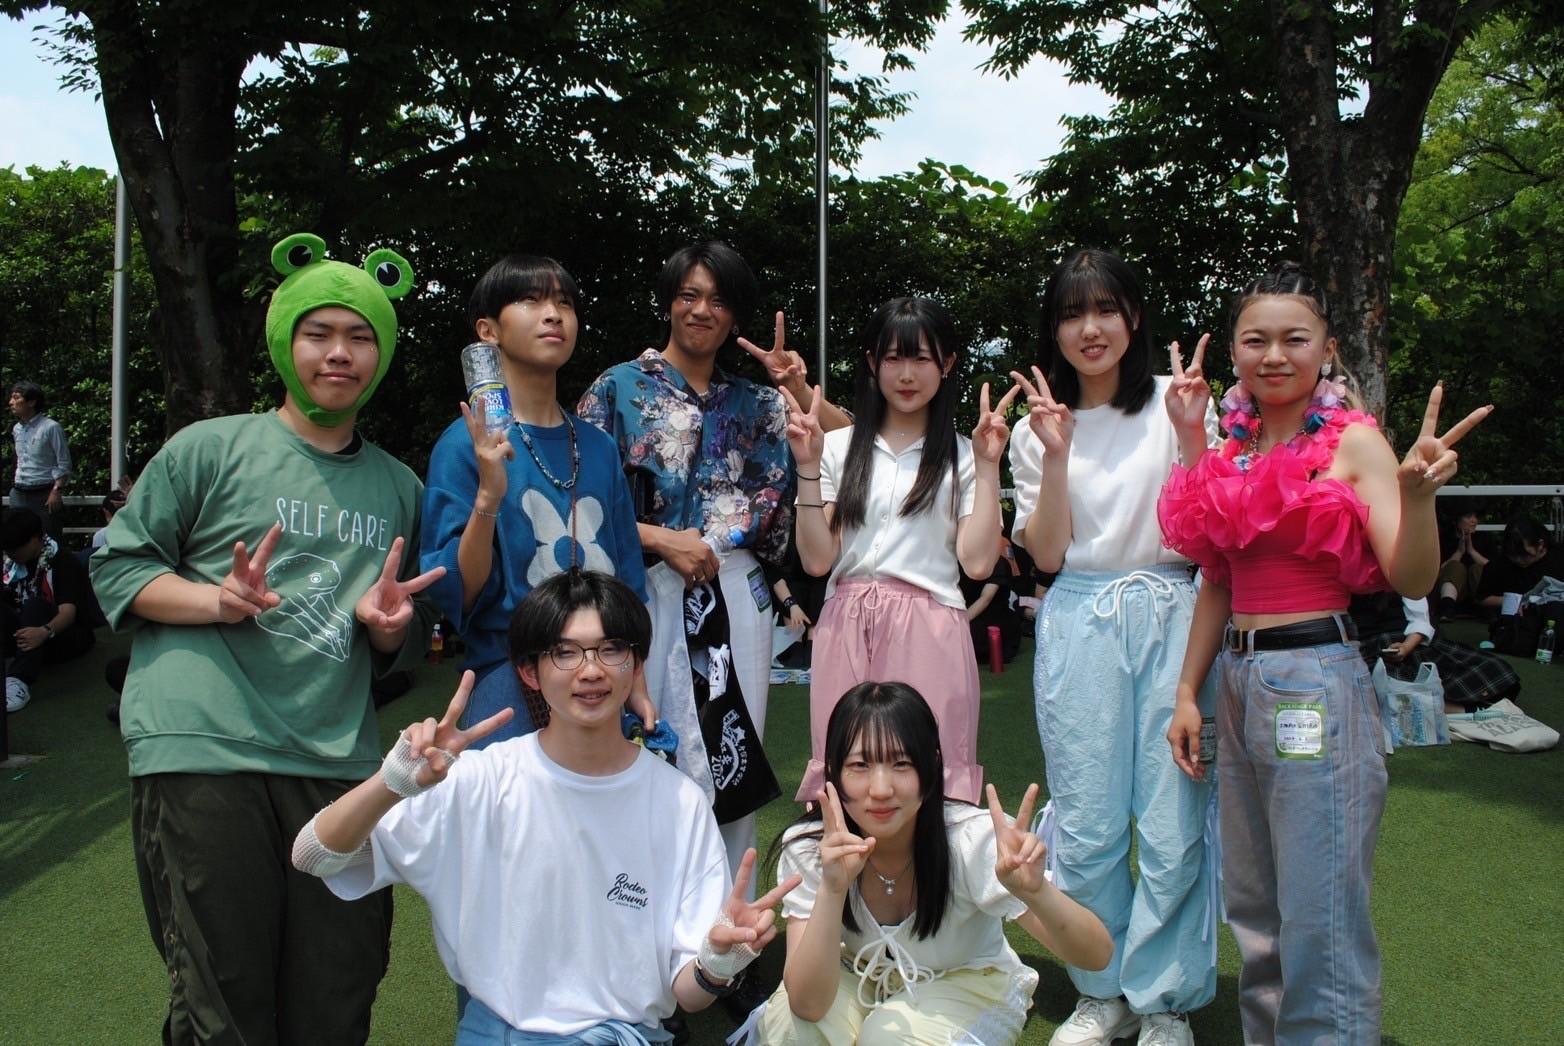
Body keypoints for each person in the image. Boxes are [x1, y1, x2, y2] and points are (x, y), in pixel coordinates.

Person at [90, 233, 442, 1044]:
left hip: (336, 761)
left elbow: (402, 628)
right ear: (286, 340)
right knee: (225, 999)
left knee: (339, 989)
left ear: (382, 354)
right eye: (319, 333)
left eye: (360, 336)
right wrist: (216, 601)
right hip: (204, 747)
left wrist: (390, 627)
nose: (339, 353)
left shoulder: (400, 485)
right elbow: (118, 566)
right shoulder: (209, 449)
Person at [1160, 262, 1491, 1044]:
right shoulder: (1234, 448)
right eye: (1256, 340)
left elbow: (1411, 577)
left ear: (1327, 348)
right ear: (1234, 352)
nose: (1274, 355)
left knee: (1320, 906)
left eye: (1295, 339)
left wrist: (1418, 497)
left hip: (1312, 675)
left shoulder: (1357, 442)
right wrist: (1187, 691)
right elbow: (1218, 578)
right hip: (1236, 678)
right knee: (1255, 903)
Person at [293, 569, 799, 1043]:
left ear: (636, 664)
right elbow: (314, 855)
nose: (591, 670)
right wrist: (392, 783)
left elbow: (687, 994)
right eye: (565, 653)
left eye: (611, 649)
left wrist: (716, 964)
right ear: (529, 672)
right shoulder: (480, 781)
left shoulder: (678, 802)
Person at [1004, 248, 1220, 1046]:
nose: (1090, 329)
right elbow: (1047, 554)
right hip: (1081, 617)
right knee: (1089, 819)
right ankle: (1102, 987)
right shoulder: (1039, 427)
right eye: (1072, 313)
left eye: (1105, 309)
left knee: (1172, 819)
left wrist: (1192, 435)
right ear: (1053, 330)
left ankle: (1164, 999)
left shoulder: (1178, 402)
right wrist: (1056, 454)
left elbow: (1207, 531)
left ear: (1134, 316)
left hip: (1172, 611)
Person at [577, 240, 794, 881]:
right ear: (669, 302)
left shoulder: (760, 403)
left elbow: (846, 448)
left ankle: (729, 920)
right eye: (689, 295)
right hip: (642, 584)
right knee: (644, 746)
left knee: (733, 749)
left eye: (719, 300)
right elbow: (579, 501)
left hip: (736, 587)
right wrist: (659, 538)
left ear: (736, 316)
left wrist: (796, 384)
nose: (702, 311)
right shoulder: (618, 390)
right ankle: (640, 912)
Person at [754, 681, 1112, 1045]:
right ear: (833, 771)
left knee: (887, 1041)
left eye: (901, 763)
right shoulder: (812, 848)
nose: (880, 789)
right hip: (857, 973)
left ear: (931, 766)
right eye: (860, 765)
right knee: (792, 1030)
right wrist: (833, 890)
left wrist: (1036, 892)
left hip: (968, 981)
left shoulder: (973, 840)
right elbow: (808, 1005)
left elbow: (1097, 956)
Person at [787, 297, 1015, 805]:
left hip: (930, 625)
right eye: (893, 358)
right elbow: (817, 560)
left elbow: (979, 563)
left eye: (922, 358)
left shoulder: (964, 455)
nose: (907, 374)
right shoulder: (837, 448)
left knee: (932, 775)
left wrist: (988, 467)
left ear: (947, 364)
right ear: (872, 363)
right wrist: (806, 467)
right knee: (845, 774)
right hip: (845, 622)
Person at [421, 255, 650, 744]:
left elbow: (628, 578)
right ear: (488, 331)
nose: (553, 314)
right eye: (531, 300)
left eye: (564, 303)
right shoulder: (463, 445)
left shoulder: (598, 446)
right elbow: (459, 592)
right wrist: (488, 496)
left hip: (602, 679)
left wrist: (638, 684)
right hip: (511, 680)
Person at [1349, 593, 1521, 711]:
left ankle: (1448, 708)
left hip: (1411, 643)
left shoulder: (1402, 573)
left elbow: (1421, 621)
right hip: (1367, 650)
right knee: (1365, 688)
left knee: (1495, 669)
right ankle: (1463, 710)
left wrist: (1406, 647)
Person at [3, 508, 96, 712]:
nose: (11, 554)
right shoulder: (12, 564)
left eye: (16, 548)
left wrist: (44, 632)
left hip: (63, 634)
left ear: (35, 539)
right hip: (26, 633)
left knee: (35, 605)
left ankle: (18, 681)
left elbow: (68, 613)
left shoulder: (62, 560)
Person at [8, 380, 72, 540]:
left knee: (48, 539)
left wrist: (56, 490)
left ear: (31, 402)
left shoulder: (51, 427)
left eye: (16, 398)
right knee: (18, 539)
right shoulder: (16, 428)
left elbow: (64, 463)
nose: (11, 402)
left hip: (44, 492)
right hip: (19, 491)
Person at [1474, 515, 1562, 612]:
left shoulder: (1558, 558)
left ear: (1540, 544)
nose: (1518, 560)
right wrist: (1512, 601)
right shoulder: (1499, 563)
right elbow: (1482, 598)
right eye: (1512, 555)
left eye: (1524, 555)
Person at [1435, 509, 1489, 618]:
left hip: (1478, 597)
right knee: (1456, 567)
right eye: (1469, 517)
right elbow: (1438, 570)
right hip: (1455, 596)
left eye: (1475, 517)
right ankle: (1447, 608)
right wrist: (1459, 552)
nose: (1474, 520)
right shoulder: (1444, 539)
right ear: (1457, 520)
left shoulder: (1485, 538)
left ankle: (1486, 609)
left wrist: (1472, 551)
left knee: (1477, 568)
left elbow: (1493, 568)